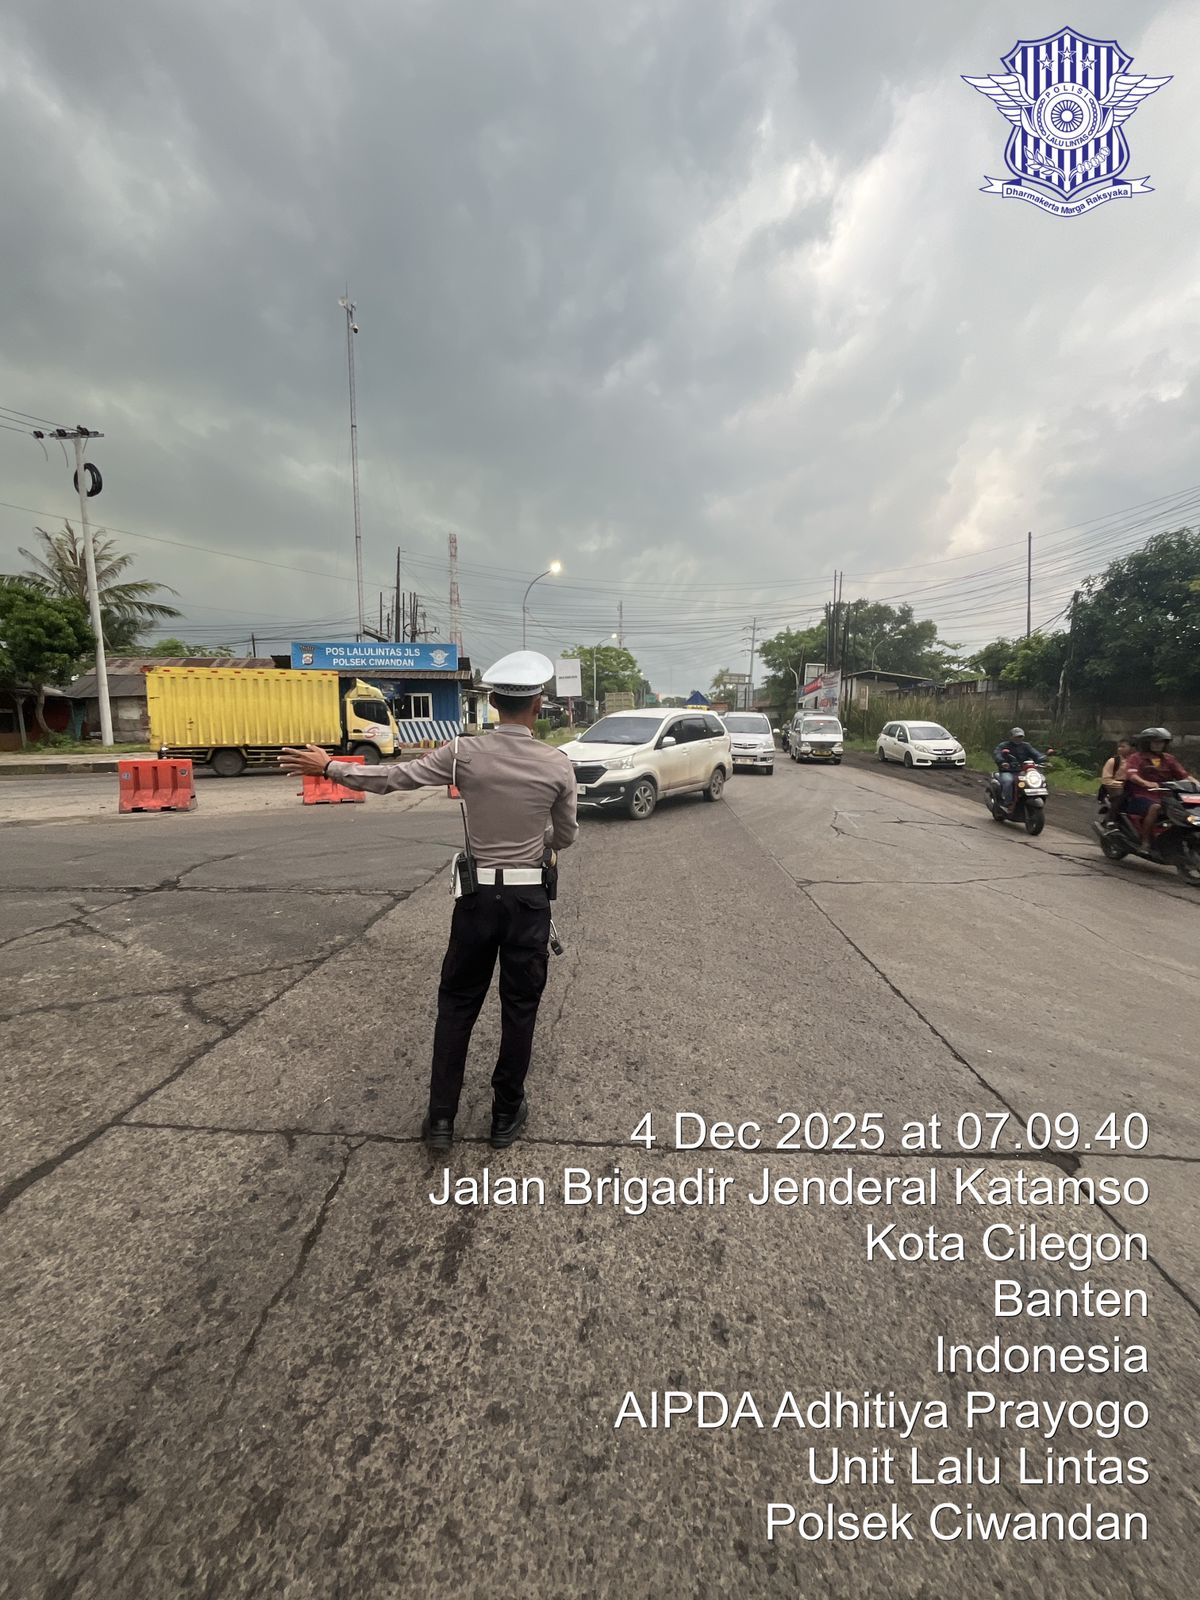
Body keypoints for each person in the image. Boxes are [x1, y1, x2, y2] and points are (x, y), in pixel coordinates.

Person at [280, 650, 578, 1152]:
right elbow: (565, 835)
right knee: (519, 1007)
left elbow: (392, 779)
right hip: (528, 902)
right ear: (537, 705)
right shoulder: (557, 764)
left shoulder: (462, 753)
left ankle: (441, 1120)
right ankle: (505, 1116)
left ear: (493, 702)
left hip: (476, 901)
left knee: (457, 1005)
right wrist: (538, 842)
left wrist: (329, 766)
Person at [1122, 727, 1193, 848]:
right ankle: (1145, 841)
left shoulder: (1169, 759)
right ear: (1146, 743)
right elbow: (1132, 775)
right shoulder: (1136, 757)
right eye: (1155, 742)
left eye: (1161, 742)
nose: (1158, 745)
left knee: (1187, 808)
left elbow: (1183, 775)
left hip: (1166, 795)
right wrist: (1145, 783)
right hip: (1141, 795)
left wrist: (1195, 783)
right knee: (1155, 807)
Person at [993, 726, 1046, 809]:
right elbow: (997, 754)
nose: (1018, 739)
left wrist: (1043, 759)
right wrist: (1002, 762)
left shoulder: (1026, 746)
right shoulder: (1003, 745)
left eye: (1020, 737)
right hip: (1007, 771)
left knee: (1039, 780)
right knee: (1008, 781)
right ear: (1011, 737)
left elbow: (1035, 754)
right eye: (1016, 737)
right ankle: (1007, 802)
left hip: (1022, 771)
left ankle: (1030, 798)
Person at [1099, 737, 1132, 819]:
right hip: (1114, 785)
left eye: (1123, 747)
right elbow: (1106, 779)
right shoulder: (1113, 761)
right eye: (1119, 747)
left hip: (1130, 785)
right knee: (1121, 796)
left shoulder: (1135, 761)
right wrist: (1120, 784)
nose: (1120, 749)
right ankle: (1111, 818)